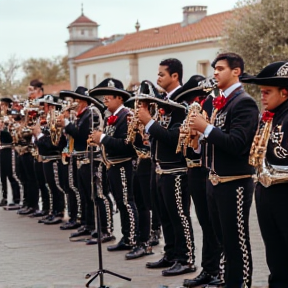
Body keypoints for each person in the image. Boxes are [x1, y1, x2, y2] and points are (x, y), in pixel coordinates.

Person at [190, 52, 259, 288]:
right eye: (214, 69)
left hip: (235, 182)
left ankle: (240, 284)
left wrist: (205, 128)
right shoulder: (220, 103)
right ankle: (227, 282)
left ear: (236, 71)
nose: (215, 73)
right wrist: (196, 139)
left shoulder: (244, 102)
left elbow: (238, 144)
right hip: (215, 180)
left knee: (236, 243)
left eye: (220, 68)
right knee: (222, 241)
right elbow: (216, 142)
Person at [136, 81, 196, 276]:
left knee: (179, 217)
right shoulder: (164, 111)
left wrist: (149, 123)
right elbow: (157, 138)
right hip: (161, 171)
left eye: (162, 74)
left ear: (175, 76)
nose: (158, 79)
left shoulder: (181, 108)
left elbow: (173, 138)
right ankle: (170, 254)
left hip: (176, 173)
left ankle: (186, 259)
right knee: (166, 217)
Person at [241, 61, 288, 288]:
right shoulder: (268, 116)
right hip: (266, 193)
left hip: (285, 194)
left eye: (267, 92)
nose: (263, 97)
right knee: (275, 254)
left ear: (285, 92)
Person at [173, 76, 222, 287]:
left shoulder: (213, 105)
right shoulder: (194, 109)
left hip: (207, 170)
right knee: (205, 223)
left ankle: (217, 269)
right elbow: (193, 146)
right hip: (193, 170)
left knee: (214, 223)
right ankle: (209, 268)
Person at [90, 78, 147, 259]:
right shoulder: (111, 117)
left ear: (120, 98)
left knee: (127, 202)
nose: (106, 99)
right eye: (105, 96)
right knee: (121, 202)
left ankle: (133, 238)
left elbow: (126, 145)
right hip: (112, 165)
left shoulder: (127, 116)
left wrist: (103, 139)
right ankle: (126, 236)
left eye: (110, 96)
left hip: (124, 164)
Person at [0, 98, 21, 207]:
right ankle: (5, 196)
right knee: (2, 174)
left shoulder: (11, 116)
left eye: (3, 105)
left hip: (9, 147)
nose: (2, 107)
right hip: (2, 147)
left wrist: (5, 127)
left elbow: (12, 134)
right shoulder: (1, 117)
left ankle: (16, 198)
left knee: (11, 174)